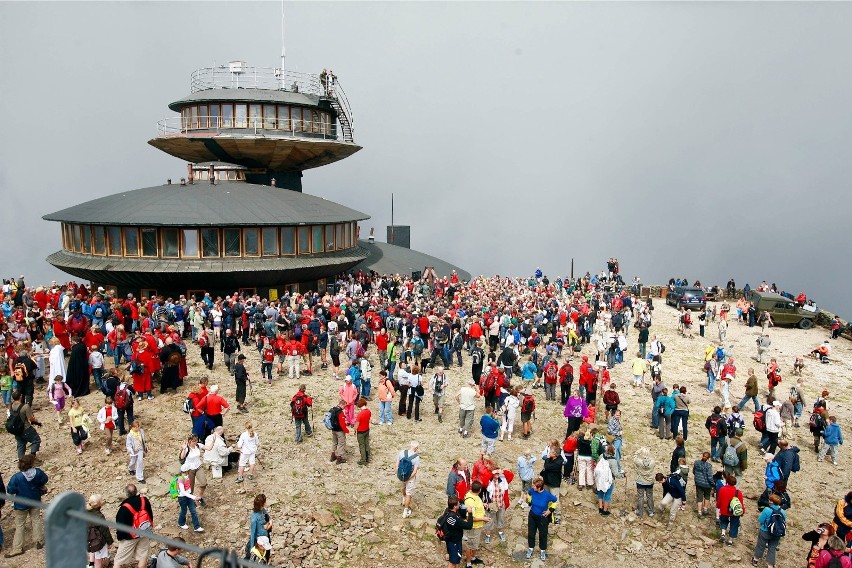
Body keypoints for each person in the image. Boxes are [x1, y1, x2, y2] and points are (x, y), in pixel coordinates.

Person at [4, 455, 48, 558]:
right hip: (35, 500)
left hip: (21, 504)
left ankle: (18, 548)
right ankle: (38, 541)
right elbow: (44, 479)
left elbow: (10, 490)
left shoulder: (16, 477)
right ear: (32, 463)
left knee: (20, 525)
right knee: (36, 520)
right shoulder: (38, 472)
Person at [115, 484, 154, 568]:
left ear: (126, 494)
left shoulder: (124, 508)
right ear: (136, 491)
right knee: (143, 557)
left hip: (130, 536)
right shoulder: (145, 500)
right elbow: (150, 515)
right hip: (144, 532)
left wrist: (120, 537)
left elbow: (120, 526)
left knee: (118, 561)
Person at [525, 476, 557, 561]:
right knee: (531, 533)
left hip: (542, 518)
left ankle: (543, 550)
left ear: (539, 488)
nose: (532, 487)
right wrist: (529, 500)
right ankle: (531, 548)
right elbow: (528, 494)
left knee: (543, 534)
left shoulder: (547, 495)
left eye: (534, 486)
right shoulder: (532, 491)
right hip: (532, 515)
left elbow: (555, 501)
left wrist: (550, 510)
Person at [752, 493, 787, 568]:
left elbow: (760, 520)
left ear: (771, 501)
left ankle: (755, 560)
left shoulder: (767, 509)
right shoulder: (783, 511)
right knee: (772, 548)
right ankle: (770, 565)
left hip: (765, 531)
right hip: (776, 533)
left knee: (760, 545)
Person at [439, 496, 473, 568]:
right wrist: (470, 513)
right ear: (455, 506)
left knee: (455, 560)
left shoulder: (447, 511)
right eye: (458, 504)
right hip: (454, 542)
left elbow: (460, 514)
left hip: (449, 539)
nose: (459, 505)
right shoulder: (454, 518)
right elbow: (469, 526)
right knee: (453, 562)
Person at [463, 480, 490, 568]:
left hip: (477, 526)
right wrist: (483, 518)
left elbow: (477, 505)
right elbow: (469, 518)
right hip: (472, 527)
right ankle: (468, 563)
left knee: (475, 543)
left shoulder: (474, 495)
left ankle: (473, 558)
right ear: (479, 490)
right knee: (469, 545)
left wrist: (483, 504)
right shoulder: (470, 501)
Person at [484, 465, 513, 544]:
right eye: (495, 473)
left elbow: (511, 475)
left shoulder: (503, 480)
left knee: (501, 519)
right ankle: (488, 535)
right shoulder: (489, 481)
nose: (497, 474)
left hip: (501, 503)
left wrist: (502, 471)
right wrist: (491, 473)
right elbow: (484, 480)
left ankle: (501, 532)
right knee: (490, 520)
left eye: (498, 473)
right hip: (492, 504)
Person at [10, 389, 41, 459]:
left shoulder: (11, 406)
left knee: (21, 445)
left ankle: (21, 461)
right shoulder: (25, 406)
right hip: (26, 428)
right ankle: (32, 458)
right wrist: (37, 421)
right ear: (20, 397)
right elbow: (30, 418)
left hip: (16, 429)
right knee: (36, 440)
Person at [86, 494, 114, 568]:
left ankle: (91, 564)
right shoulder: (99, 516)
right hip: (98, 541)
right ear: (99, 504)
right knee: (98, 560)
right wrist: (110, 542)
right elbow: (105, 530)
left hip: (88, 539)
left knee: (92, 550)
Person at [717, 474, 744, 546]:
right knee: (734, 525)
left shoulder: (722, 489)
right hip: (734, 512)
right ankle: (730, 541)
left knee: (724, 521)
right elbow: (741, 503)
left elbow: (719, 500)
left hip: (724, 510)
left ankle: (723, 533)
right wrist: (742, 511)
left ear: (727, 481)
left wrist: (718, 506)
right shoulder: (738, 492)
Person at [179, 434, 207, 506]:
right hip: (190, 469)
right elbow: (182, 457)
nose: (195, 442)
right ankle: (192, 500)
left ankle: (200, 497)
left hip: (198, 466)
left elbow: (208, 448)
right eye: (193, 441)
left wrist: (214, 439)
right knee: (190, 487)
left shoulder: (198, 445)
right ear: (189, 441)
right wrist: (184, 448)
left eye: (196, 440)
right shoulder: (187, 448)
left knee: (204, 483)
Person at [246, 494, 272, 561]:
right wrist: (252, 548)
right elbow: (253, 533)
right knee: (259, 558)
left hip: (266, 536)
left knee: (267, 554)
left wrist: (269, 523)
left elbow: (268, 518)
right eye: (264, 502)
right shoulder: (254, 518)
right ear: (262, 504)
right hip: (260, 540)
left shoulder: (263, 510)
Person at [634, 447, 656, 518]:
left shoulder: (639, 462)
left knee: (640, 497)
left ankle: (640, 512)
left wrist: (638, 451)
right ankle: (651, 511)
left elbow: (634, 457)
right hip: (649, 481)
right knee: (649, 496)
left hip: (640, 481)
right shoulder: (652, 462)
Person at [594, 446, 615, 516]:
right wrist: (622, 475)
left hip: (600, 478)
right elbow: (615, 472)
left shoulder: (601, 456)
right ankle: (605, 510)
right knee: (608, 494)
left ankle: (600, 507)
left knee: (600, 491)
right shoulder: (613, 460)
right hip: (608, 479)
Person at [126, 419, 147, 483]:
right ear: (133, 427)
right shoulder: (130, 435)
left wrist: (145, 447)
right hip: (134, 451)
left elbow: (143, 440)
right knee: (133, 461)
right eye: (137, 427)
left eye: (139, 427)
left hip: (140, 449)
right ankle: (130, 468)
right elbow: (128, 444)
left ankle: (140, 477)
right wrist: (130, 450)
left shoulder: (141, 431)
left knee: (140, 462)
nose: (138, 428)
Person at [693, 452, 714, 517]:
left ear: (702, 456)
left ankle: (699, 512)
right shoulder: (708, 466)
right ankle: (705, 509)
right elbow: (709, 476)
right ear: (708, 458)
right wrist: (713, 484)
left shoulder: (696, 463)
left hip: (698, 482)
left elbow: (694, 471)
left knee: (699, 497)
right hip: (707, 484)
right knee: (707, 496)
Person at [329, 400, 349, 464]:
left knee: (334, 442)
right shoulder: (340, 413)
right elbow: (342, 425)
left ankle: (333, 455)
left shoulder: (332, 410)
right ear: (342, 405)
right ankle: (339, 458)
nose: (344, 408)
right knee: (341, 444)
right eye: (344, 406)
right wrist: (347, 431)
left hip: (333, 430)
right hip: (339, 431)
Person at [355, 397, 371, 465]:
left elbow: (357, 425)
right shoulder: (368, 411)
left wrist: (354, 429)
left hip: (361, 432)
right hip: (367, 429)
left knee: (362, 445)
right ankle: (368, 457)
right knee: (366, 443)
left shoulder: (360, 414)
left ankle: (363, 460)